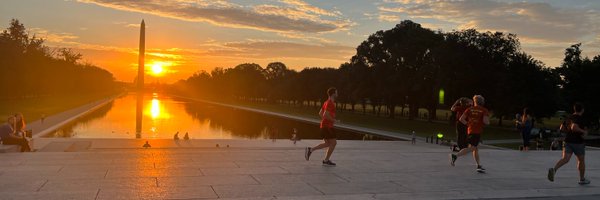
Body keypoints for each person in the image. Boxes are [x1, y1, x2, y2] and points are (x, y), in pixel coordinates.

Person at [547, 103, 590, 185]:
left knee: (565, 159)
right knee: (581, 161)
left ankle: (554, 169)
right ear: (582, 110)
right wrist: (583, 131)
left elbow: (561, 128)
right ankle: (582, 179)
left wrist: (568, 132)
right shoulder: (579, 118)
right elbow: (574, 127)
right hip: (578, 142)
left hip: (567, 141)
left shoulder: (569, 117)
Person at [450, 95, 489, 173]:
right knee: (472, 148)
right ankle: (455, 156)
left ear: (475, 101)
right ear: (482, 102)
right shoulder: (484, 110)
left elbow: (461, 119)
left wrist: (468, 124)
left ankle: (478, 165)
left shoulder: (469, 109)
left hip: (470, 130)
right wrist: (488, 122)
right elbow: (485, 122)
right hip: (477, 131)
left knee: (475, 149)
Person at [305, 87, 339, 166]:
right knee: (333, 143)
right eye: (336, 92)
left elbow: (320, 113)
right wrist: (333, 120)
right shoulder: (330, 103)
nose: (337, 94)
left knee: (327, 143)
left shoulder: (326, 102)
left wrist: (327, 120)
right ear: (333, 93)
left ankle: (310, 150)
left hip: (325, 125)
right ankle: (326, 160)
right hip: (327, 127)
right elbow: (324, 114)